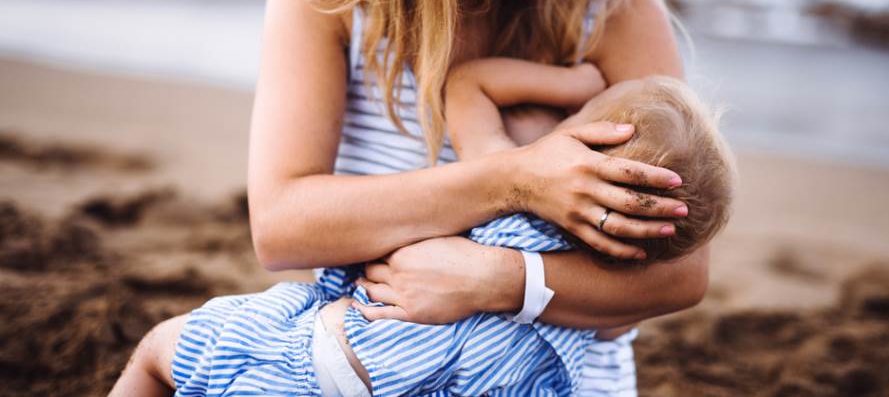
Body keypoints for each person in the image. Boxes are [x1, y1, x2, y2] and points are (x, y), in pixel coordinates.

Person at [113, 0, 713, 394]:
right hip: (373, 355)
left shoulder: (614, 10)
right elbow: (282, 227)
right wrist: (518, 179)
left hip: (551, 376)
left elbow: (680, 276)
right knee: (167, 349)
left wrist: (498, 278)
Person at [108, 61, 734, 396]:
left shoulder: (514, 179)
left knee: (163, 349)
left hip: (321, 367)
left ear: (583, 142)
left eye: (578, 117)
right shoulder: (603, 290)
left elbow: (467, 83)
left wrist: (577, 83)